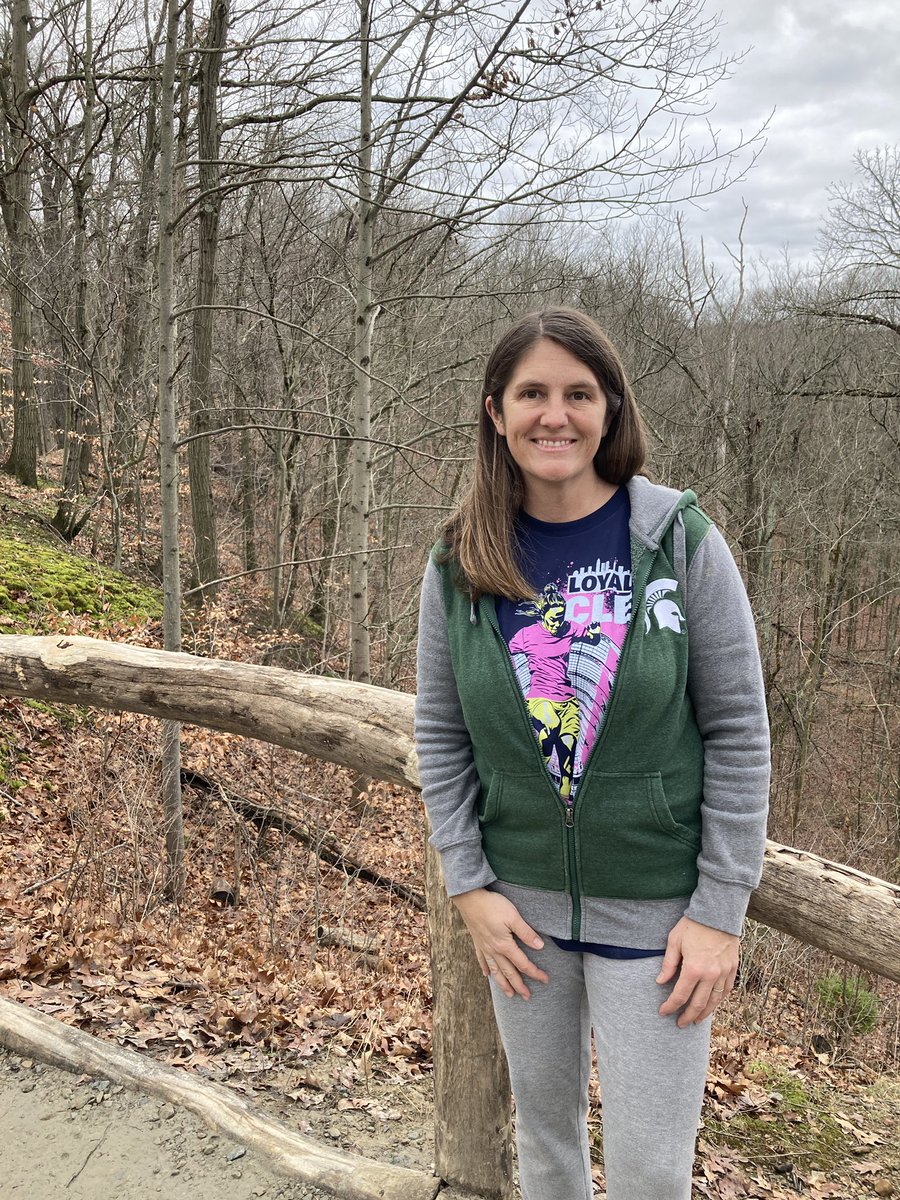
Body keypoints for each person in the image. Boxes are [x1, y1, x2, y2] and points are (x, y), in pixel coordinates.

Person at [414, 307, 770, 1200]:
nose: (555, 415)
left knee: (651, 1174)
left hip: (660, 920)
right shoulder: (460, 558)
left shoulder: (680, 541)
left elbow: (738, 730)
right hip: (520, 918)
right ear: (496, 412)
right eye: (532, 393)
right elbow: (441, 734)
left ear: (610, 408)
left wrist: (721, 909)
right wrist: (469, 886)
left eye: (578, 393)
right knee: (547, 1152)